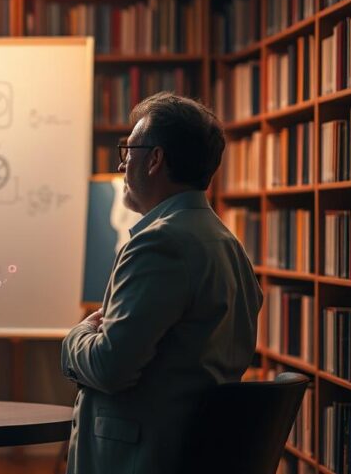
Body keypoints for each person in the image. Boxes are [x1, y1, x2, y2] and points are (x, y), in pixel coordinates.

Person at [61, 92, 262, 474]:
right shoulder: (227, 243)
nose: (122, 163)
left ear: (155, 160)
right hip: (192, 451)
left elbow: (109, 368)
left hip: (138, 457)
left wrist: (75, 338)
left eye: (129, 150)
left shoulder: (160, 243)